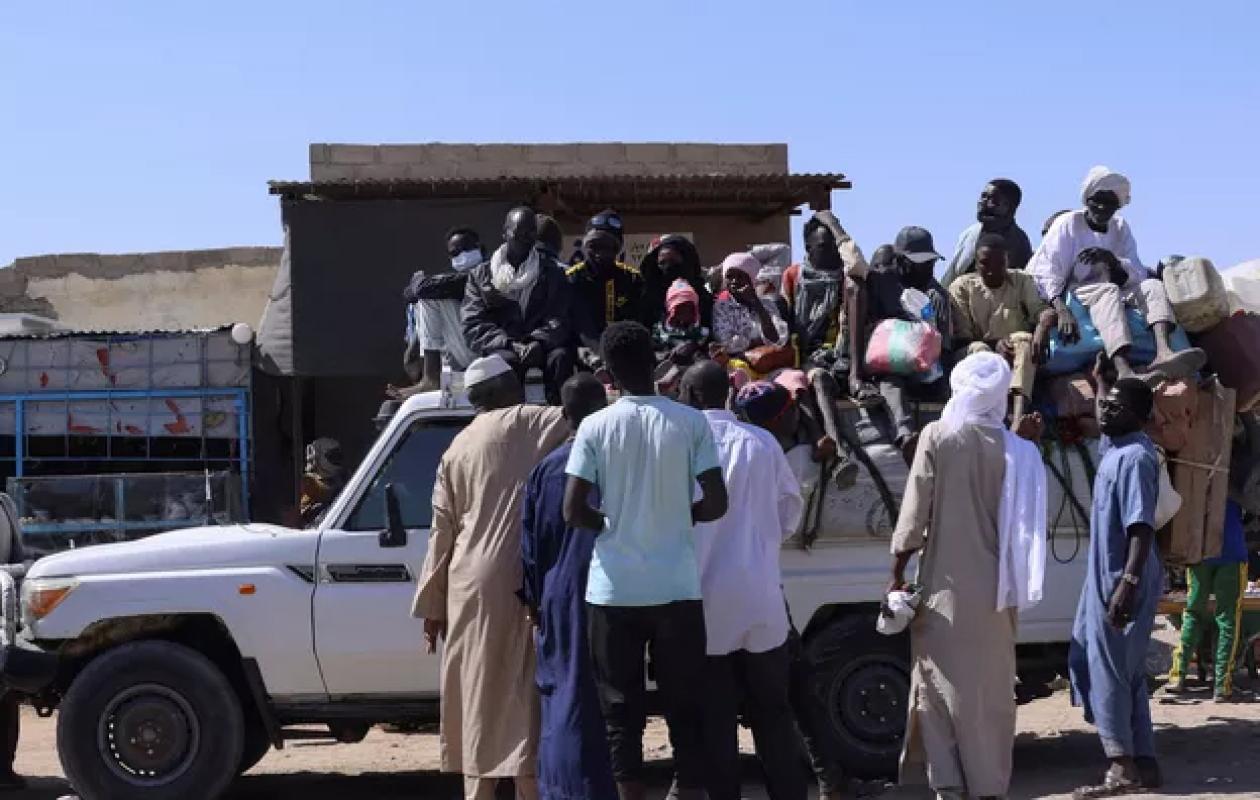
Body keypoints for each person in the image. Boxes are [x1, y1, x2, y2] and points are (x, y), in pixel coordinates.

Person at [563, 321, 728, 800]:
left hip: (613, 591)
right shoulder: (690, 422)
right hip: (677, 587)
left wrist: (611, 525)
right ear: (655, 364)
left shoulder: (594, 425)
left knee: (620, 708)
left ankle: (630, 792)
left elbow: (572, 511)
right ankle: (689, 789)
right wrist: (680, 516)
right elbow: (718, 502)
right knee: (684, 703)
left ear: (608, 371)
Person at [888, 353, 1047, 800]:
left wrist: (895, 576)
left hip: (944, 591)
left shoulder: (939, 435)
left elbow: (913, 518)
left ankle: (950, 786)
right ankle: (989, 786)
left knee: (937, 688)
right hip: (999, 596)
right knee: (990, 696)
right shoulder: (1018, 449)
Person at [413, 355, 570, 800]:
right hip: (518, 579)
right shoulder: (534, 420)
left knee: (479, 696)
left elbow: (440, 531)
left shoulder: (457, 444)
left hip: (467, 586)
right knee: (523, 701)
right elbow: (587, 413)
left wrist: (432, 606)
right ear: (508, 389)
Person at [679, 362, 807, 800]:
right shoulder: (764, 443)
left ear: (693, 398)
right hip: (761, 601)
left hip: (707, 604)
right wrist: (759, 539)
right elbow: (791, 513)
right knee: (773, 712)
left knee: (716, 720)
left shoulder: (681, 449)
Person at [1068, 356, 1163, 798]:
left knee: (1108, 671)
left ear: (1139, 416)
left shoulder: (1137, 458)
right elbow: (1103, 408)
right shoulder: (1117, 445)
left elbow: (1140, 528)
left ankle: (1121, 766)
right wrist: (1101, 381)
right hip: (1105, 574)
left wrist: (1127, 584)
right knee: (1108, 664)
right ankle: (1144, 761)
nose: (1104, 410)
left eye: (1115, 406)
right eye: (1105, 405)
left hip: (1123, 575)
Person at [519, 374, 617, 800]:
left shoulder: (548, 468)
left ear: (564, 415)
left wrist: (536, 602)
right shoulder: (618, 461)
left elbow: (532, 545)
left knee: (565, 696)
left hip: (562, 592)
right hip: (614, 587)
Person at [1026, 166, 1205, 381]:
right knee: (1107, 291)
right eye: (1097, 200)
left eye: (1109, 203)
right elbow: (1047, 272)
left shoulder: (1120, 227)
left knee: (1152, 286)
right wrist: (1062, 311)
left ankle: (1164, 352)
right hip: (1076, 292)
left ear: (1117, 206)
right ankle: (1123, 369)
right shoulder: (1069, 224)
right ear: (1087, 199)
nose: (1102, 207)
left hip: (1116, 286)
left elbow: (1135, 273)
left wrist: (1111, 261)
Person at [463, 207, 577, 404]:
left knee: (561, 357)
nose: (526, 238)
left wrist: (538, 341)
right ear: (505, 232)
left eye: (531, 232)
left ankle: (561, 421)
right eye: (519, 232)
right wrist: (509, 344)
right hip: (503, 346)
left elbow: (559, 317)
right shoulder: (481, 276)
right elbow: (473, 324)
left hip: (540, 347)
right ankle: (512, 424)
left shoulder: (551, 273)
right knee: (504, 365)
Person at [867, 226, 954, 463]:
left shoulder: (936, 295)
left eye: (930, 262)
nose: (927, 268)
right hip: (891, 366)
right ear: (901, 261)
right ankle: (906, 436)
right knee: (889, 383)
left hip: (928, 371)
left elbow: (944, 346)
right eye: (919, 263)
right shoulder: (883, 286)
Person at [949, 233, 1056, 418]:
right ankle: (988, 408)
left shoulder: (1021, 280)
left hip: (1012, 349)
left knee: (1024, 340)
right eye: (985, 263)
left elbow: (1041, 310)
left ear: (1007, 261)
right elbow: (962, 338)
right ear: (976, 263)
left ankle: (1018, 412)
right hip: (974, 352)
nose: (992, 270)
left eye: (1000, 264)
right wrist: (995, 346)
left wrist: (1042, 326)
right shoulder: (962, 287)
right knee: (980, 349)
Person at [1167, 499, 1249, 702]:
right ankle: (1222, 685)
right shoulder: (1241, 471)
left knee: (1193, 613)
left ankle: (1177, 678)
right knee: (1228, 617)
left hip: (1199, 551)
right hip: (1231, 551)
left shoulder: (1196, 469)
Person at [405, 227, 485, 390]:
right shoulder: (453, 281)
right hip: (467, 357)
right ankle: (431, 374)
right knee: (425, 299)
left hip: (492, 352)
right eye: (455, 253)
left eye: (466, 249)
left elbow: (422, 290)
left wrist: (418, 282)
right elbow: (410, 293)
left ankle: (430, 378)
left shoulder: (488, 271)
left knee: (430, 297)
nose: (462, 255)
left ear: (481, 249)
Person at [567, 210, 646, 360]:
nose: (599, 254)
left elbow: (638, 321)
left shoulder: (633, 279)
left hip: (623, 351)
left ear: (617, 249)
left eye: (607, 248)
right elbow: (570, 323)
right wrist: (581, 349)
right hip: (581, 351)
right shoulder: (571, 279)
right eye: (594, 247)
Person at [941, 179, 1035, 288]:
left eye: (993, 200)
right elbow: (951, 275)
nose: (984, 202)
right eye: (983, 196)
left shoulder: (1019, 242)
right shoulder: (970, 233)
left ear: (1009, 207)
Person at [0, 493, 28, 791]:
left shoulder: (4, 504)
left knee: (7, 695)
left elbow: (18, 555)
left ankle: (4, 768)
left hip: (3, 617)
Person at [712, 252, 790, 356]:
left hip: (768, 360)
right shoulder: (721, 307)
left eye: (740, 276)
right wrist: (758, 342)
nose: (734, 281)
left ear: (752, 279)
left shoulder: (767, 304)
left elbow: (778, 338)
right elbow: (726, 343)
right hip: (737, 363)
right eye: (729, 276)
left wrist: (756, 303)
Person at [640, 235, 714, 329]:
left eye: (673, 262)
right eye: (662, 263)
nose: (668, 268)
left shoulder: (704, 299)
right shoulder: (647, 298)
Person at [652, 279, 711, 395]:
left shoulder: (700, 332)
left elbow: (705, 351)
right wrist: (671, 353)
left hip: (692, 369)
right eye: (680, 308)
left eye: (689, 308)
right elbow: (654, 352)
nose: (685, 312)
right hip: (669, 365)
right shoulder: (660, 330)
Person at [299, 437, 345, 525]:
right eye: (332, 456)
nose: (336, 459)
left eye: (338, 456)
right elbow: (325, 493)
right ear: (318, 456)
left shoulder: (338, 478)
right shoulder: (309, 480)